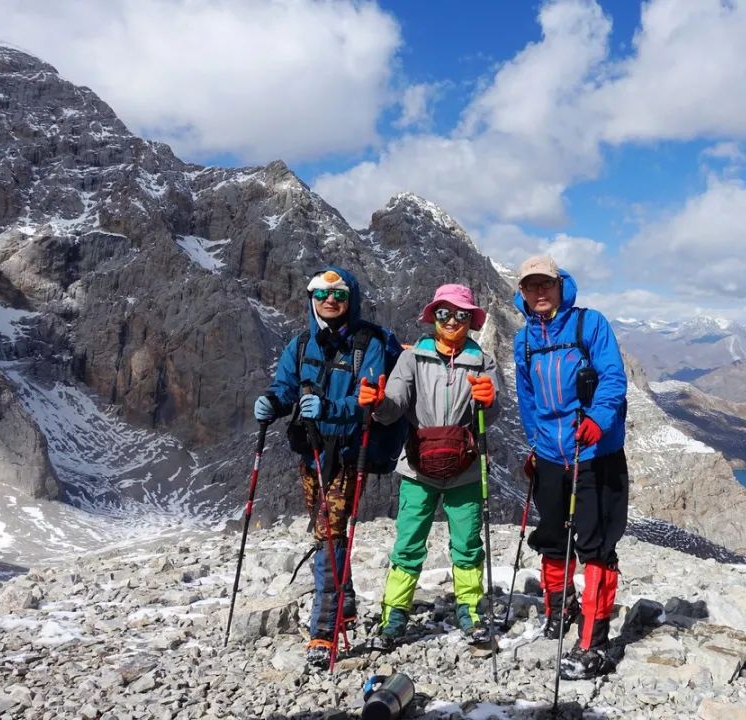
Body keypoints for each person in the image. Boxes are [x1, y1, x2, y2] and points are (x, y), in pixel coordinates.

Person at [253, 267, 402, 669]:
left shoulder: (368, 344)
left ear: (351, 299)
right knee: (326, 534)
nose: (330, 300)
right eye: (321, 294)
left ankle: (324, 630)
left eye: (338, 294)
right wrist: (272, 402)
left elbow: (369, 398)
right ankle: (345, 602)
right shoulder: (301, 344)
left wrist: (330, 408)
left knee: (330, 535)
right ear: (312, 299)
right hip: (312, 454)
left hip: (350, 453)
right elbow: (286, 387)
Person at [358, 284, 500, 646]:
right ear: (432, 316)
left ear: (471, 319)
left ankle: (470, 609)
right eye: (444, 313)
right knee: (409, 543)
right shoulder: (412, 359)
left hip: (463, 469)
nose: (452, 320)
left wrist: (489, 402)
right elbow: (392, 409)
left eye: (460, 314)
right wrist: (378, 403)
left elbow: (490, 416)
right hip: (420, 469)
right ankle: (394, 614)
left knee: (467, 543)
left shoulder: (483, 362)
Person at [512, 254, 630, 680]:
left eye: (546, 283)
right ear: (523, 293)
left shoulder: (589, 324)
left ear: (561, 285)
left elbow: (613, 377)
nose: (540, 291)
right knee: (552, 535)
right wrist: (536, 442)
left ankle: (593, 640)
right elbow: (527, 397)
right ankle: (559, 608)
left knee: (596, 543)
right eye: (531, 285)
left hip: (594, 453)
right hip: (550, 454)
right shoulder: (524, 340)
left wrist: (598, 419)